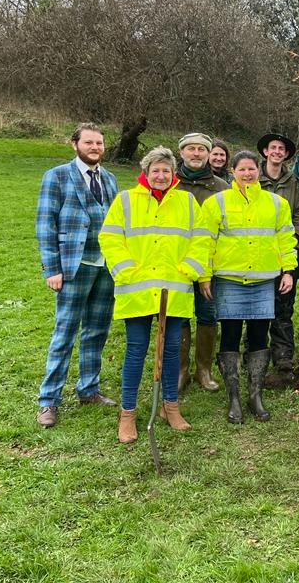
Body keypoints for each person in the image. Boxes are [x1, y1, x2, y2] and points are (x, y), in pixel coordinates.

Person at [100, 146, 210, 442]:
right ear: (146, 173)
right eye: (155, 170)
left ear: (173, 173)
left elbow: (202, 239)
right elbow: (110, 238)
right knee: (136, 350)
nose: (161, 176)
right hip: (137, 290)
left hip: (173, 290)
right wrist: (125, 269)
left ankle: (169, 407)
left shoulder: (186, 202)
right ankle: (128, 414)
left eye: (166, 170)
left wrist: (190, 267)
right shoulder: (126, 200)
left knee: (171, 351)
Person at [201, 151, 297, 424]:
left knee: (259, 337)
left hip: (263, 281)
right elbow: (205, 241)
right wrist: (204, 276)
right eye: (241, 169)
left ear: (259, 171)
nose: (247, 174)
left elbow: (285, 238)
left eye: (251, 169)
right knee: (230, 336)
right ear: (232, 171)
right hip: (230, 279)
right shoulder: (216, 203)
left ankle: (255, 394)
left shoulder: (276, 203)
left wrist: (287, 270)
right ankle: (233, 396)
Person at [35, 123, 119, 428]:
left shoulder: (109, 179)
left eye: (99, 143)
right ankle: (48, 400)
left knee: (96, 331)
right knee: (65, 333)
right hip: (74, 265)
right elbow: (45, 224)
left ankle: (88, 389)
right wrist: (52, 268)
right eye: (89, 142)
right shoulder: (56, 176)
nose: (95, 147)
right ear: (75, 145)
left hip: (105, 267)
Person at [172, 132, 229, 394]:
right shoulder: (170, 184)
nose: (196, 153)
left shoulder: (221, 187)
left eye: (201, 149)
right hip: (176, 265)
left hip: (210, 265)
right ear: (181, 152)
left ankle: (203, 369)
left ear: (209, 154)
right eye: (191, 149)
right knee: (180, 317)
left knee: (207, 315)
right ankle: (180, 369)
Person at [258, 133, 299, 371]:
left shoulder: (292, 181)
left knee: (284, 304)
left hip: (285, 250)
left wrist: (294, 237)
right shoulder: (253, 177)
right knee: (256, 305)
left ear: (286, 155)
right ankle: (254, 353)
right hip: (256, 252)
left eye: (281, 149)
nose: (277, 152)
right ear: (265, 151)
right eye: (273, 148)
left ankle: (283, 354)